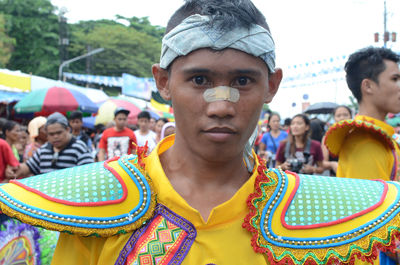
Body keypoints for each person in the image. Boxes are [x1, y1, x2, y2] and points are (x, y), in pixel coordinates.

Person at [1, 1, 399, 264]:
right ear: (163, 81)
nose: (221, 105)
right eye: (199, 79)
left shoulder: (322, 217)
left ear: (272, 86)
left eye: (243, 80)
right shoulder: (96, 204)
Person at [325, 47, 400, 181]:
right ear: (368, 86)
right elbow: (375, 202)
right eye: (394, 79)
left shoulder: (381, 136)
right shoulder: (367, 143)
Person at [9, 112, 94, 177]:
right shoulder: (44, 150)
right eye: (51, 134)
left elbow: (88, 173)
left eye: (59, 133)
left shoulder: (79, 148)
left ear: (68, 130)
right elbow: (29, 166)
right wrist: (15, 169)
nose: (55, 137)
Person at [322, 105, 352, 175]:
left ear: (351, 117)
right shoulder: (327, 137)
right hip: (336, 179)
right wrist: (332, 164)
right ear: (334, 118)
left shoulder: (356, 135)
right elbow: (323, 163)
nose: (342, 118)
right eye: (338, 116)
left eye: (345, 115)